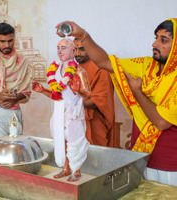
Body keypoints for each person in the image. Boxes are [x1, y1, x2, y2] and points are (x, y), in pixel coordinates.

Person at [55, 18, 177, 186]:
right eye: (156, 37)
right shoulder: (146, 65)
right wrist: (82, 34)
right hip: (141, 157)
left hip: (169, 166)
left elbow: (161, 122)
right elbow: (105, 62)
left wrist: (137, 91)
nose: (155, 44)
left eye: (163, 40)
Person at [32, 38, 89, 182]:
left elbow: (88, 94)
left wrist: (78, 90)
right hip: (58, 110)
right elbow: (56, 95)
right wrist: (43, 90)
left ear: (73, 51)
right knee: (60, 139)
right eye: (58, 47)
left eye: (63, 48)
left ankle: (76, 170)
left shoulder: (79, 71)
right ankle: (65, 169)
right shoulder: (55, 70)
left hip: (73, 111)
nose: (59, 51)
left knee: (74, 141)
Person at [73, 38, 117, 147]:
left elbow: (99, 100)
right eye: (75, 49)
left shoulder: (101, 69)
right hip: (75, 120)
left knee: (96, 157)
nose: (77, 53)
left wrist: (73, 105)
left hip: (94, 121)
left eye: (82, 49)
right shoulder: (72, 69)